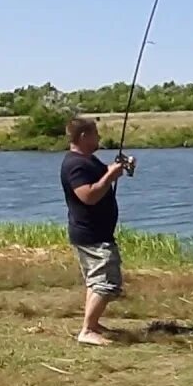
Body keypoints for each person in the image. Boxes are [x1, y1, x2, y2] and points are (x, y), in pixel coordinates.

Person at [60, 116, 133, 346]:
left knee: (96, 281)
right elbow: (88, 196)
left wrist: (120, 168)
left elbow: (104, 177)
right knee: (107, 283)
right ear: (83, 136)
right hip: (91, 234)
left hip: (96, 232)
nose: (99, 137)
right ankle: (87, 330)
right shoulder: (75, 165)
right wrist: (110, 176)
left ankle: (92, 325)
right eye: (95, 134)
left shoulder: (88, 160)